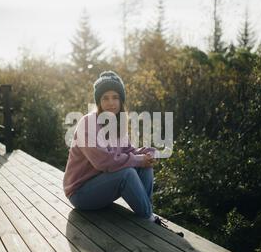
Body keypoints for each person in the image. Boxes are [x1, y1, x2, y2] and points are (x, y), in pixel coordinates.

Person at [63, 70, 183, 236]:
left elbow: (129, 152)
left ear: (121, 100)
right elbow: (103, 162)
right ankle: (149, 220)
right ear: (98, 101)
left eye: (115, 97)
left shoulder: (117, 124)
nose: (111, 103)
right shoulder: (88, 123)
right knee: (127, 173)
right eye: (105, 98)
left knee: (144, 166)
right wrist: (138, 159)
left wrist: (149, 153)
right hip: (81, 193)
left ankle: (147, 214)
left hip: (103, 185)